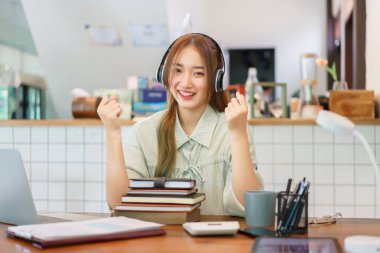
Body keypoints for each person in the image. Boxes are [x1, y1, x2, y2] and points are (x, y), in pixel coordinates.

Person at [97, 33, 263, 216]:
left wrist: (238, 135)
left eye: (198, 73)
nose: (185, 83)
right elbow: (120, 203)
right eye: (177, 70)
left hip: (218, 244)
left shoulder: (233, 129)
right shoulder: (143, 132)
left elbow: (247, 207)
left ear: (215, 81)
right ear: (164, 74)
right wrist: (112, 133)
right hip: (159, 243)